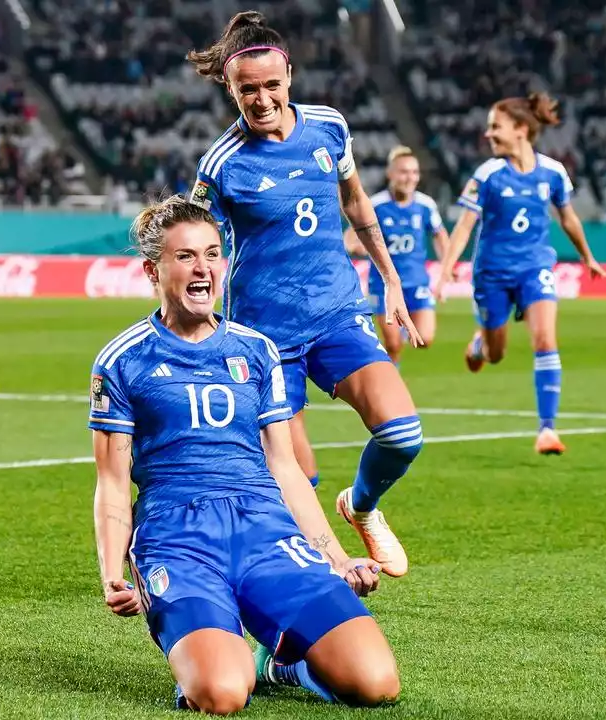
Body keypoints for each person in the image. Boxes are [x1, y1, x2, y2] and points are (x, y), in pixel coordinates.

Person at [92, 196, 401, 714]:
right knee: (222, 694)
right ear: (153, 269)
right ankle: (213, 652)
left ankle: (284, 662)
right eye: (185, 256)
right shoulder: (122, 361)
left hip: (265, 530)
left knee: (376, 684)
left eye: (213, 254)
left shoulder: (257, 350)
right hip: (178, 540)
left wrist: (335, 556)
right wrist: (111, 571)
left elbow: (284, 467)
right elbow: (113, 480)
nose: (203, 269)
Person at [185, 11, 424, 577]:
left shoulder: (329, 127)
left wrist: (390, 279)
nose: (262, 99)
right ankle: (309, 607)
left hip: (338, 312)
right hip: (266, 337)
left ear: (289, 75)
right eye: (248, 90)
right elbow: (199, 245)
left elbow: (357, 202)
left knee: (403, 434)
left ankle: (361, 506)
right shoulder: (221, 164)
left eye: (272, 85)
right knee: (295, 480)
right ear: (229, 87)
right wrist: (199, 327)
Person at [435, 93, 606, 456]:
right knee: (497, 355)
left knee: (545, 339)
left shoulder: (554, 172)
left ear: (521, 130)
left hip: (535, 266)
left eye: (496, 126)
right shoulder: (488, 174)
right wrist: (447, 266)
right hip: (492, 274)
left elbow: (568, 217)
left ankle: (547, 429)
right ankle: (481, 344)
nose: (488, 134)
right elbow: (465, 225)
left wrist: (587, 256)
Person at [344, 146, 449, 364]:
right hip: (383, 284)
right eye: (403, 172)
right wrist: (360, 248)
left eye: (414, 172)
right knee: (392, 345)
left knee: (425, 338)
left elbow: (439, 235)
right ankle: (393, 386)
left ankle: (401, 332)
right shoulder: (377, 204)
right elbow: (349, 239)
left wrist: (447, 266)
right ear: (390, 174)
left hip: (417, 281)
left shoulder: (425, 205)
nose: (410, 178)